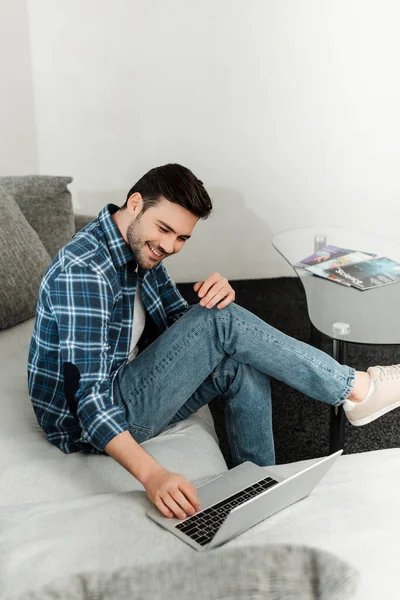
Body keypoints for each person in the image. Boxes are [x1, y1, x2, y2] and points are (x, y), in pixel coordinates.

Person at [28, 163, 400, 521]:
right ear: (136, 203)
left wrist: (215, 300)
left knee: (236, 351)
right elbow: (88, 402)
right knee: (222, 324)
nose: (170, 246)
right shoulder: (85, 271)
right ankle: (355, 389)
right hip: (89, 424)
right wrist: (154, 476)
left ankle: (259, 486)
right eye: (165, 229)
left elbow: (178, 322)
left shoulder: (141, 246)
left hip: (126, 382)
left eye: (182, 239)